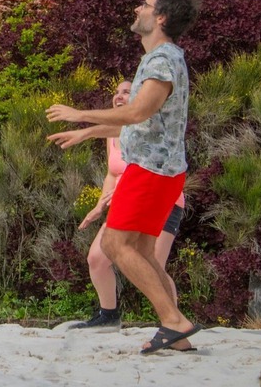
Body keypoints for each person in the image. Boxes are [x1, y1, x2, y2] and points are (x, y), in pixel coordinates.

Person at [46, 0, 202, 354]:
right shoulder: (165, 57)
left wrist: (80, 112)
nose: (138, 8)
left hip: (150, 170)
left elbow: (137, 113)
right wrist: (88, 133)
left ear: (160, 18)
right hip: (163, 169)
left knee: (115, 244)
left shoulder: (161, 59)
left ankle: (174, 321)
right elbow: (142, 124)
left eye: (145, 5)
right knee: (144, 252)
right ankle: (177, 335)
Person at [71, 80, 185, 330]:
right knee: (97, 258)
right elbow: (112, 174)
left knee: (152, 262)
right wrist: (100, 204)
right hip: (126, 200)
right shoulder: (111, 135)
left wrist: (83, 122)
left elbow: (146, 169)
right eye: (116, 92)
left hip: (159, 200)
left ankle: (174, 323)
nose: (119, 96)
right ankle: (109, 316)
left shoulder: (144, 128)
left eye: (127, 92)